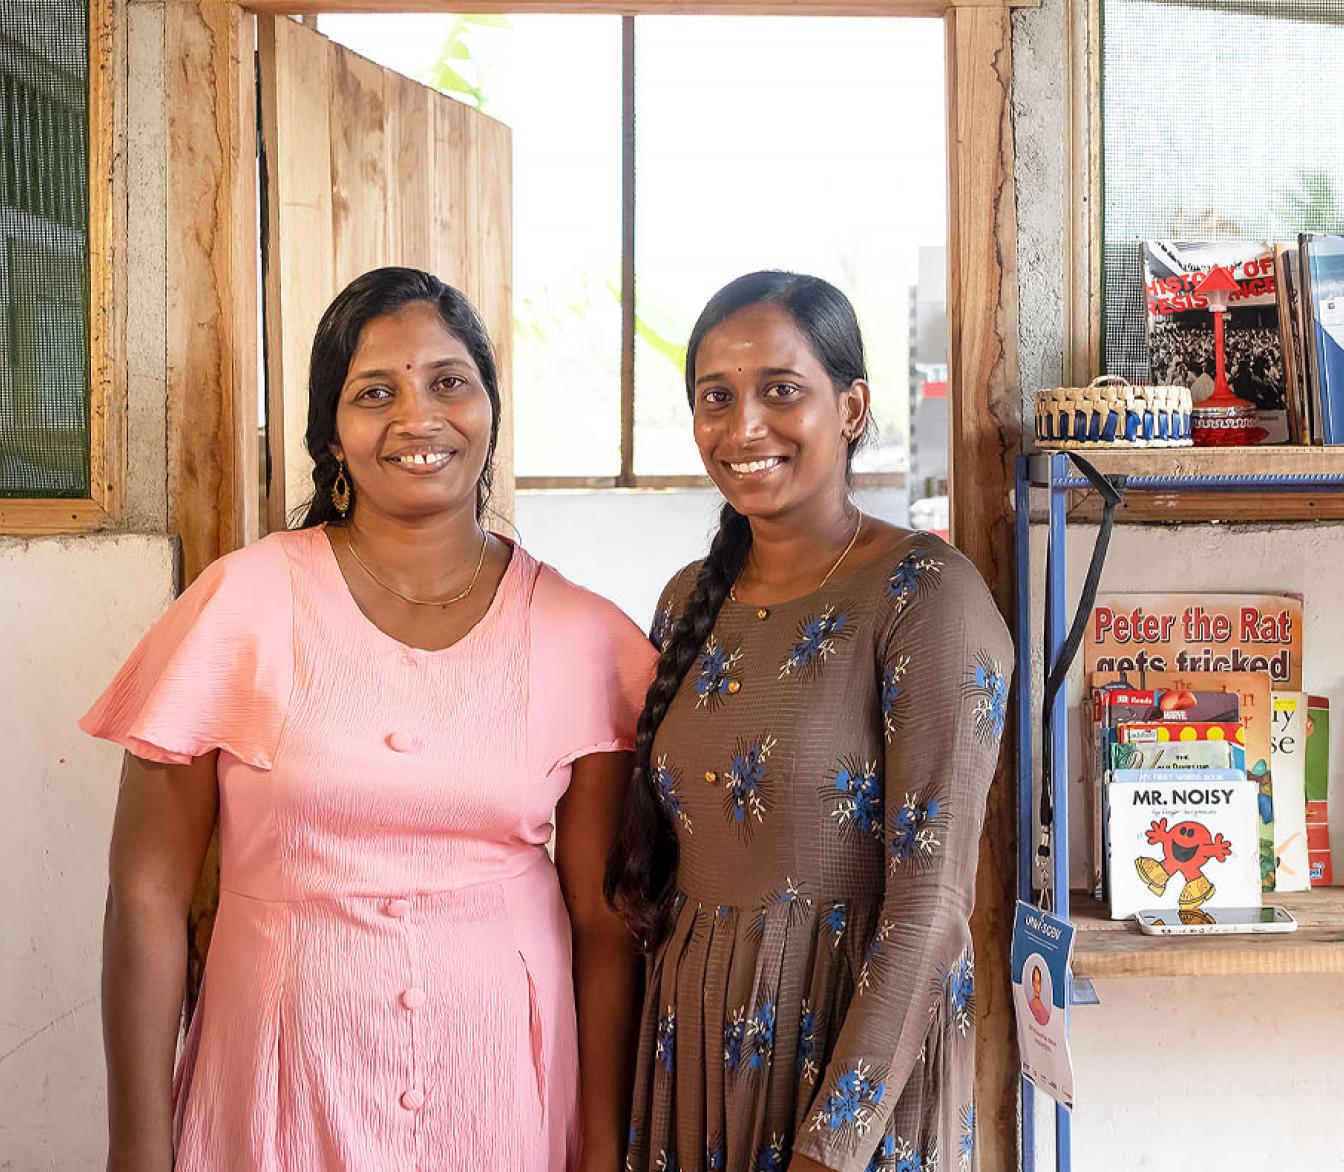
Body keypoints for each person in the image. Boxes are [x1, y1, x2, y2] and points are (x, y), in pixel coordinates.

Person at [83, 267, 652, 1171]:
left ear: (491, 409)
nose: (417, 417)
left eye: (449, 381)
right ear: (333, 433)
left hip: (504, 1104)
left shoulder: (582, 636)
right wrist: (137, 1152)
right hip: (276, 1101)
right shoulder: (246, 603)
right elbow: (146, 893)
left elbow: (604, 924)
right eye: (374, 392)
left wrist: (602, 1148)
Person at [606, 271, 1012, 1172]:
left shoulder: (926, 595)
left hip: (849, 1065)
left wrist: (831, 1150)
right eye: (717, 397)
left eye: (781, 390)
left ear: (853, 406)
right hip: (690, 1049)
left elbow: (933, 907)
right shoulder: (685, 601)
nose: (745, 425)